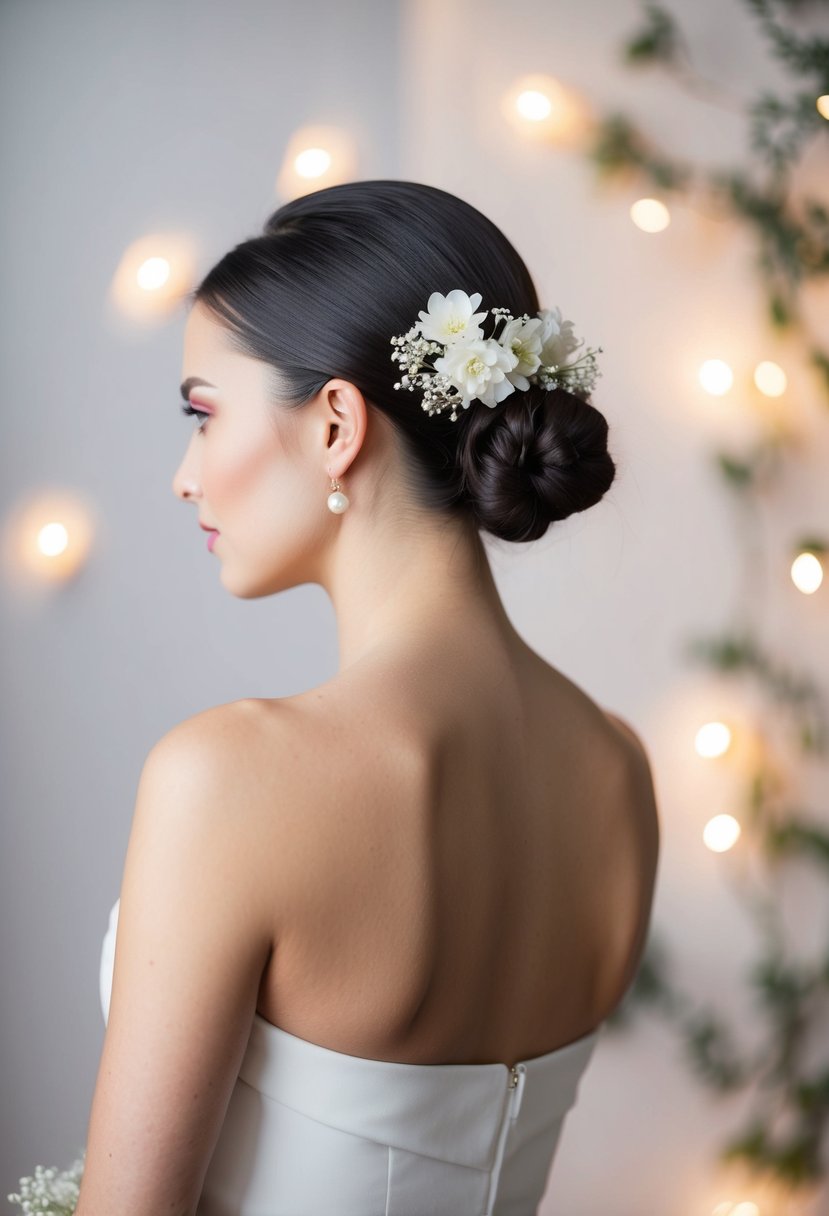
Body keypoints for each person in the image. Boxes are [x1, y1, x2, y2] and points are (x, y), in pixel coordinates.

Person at [78, 179, 660, 1216]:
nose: (183, 475)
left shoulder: (230, 776)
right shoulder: (618, 772)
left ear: (338, 422)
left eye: (203, 416)